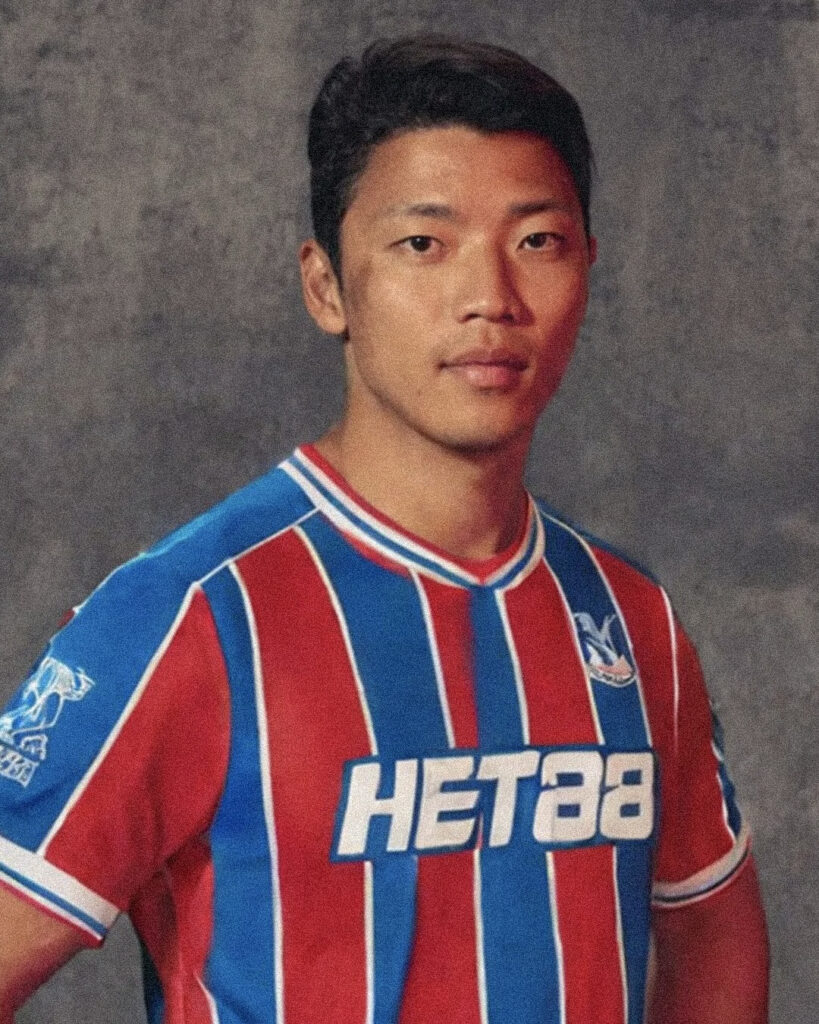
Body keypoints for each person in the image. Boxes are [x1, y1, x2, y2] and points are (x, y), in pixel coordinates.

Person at [0, 35, 769, 1024]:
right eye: (423, 244)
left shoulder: (631, 620)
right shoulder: (190, 615)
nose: (490, 298)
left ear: (588, 266)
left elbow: (714, 948)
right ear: (328, 287)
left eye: (537, 241)